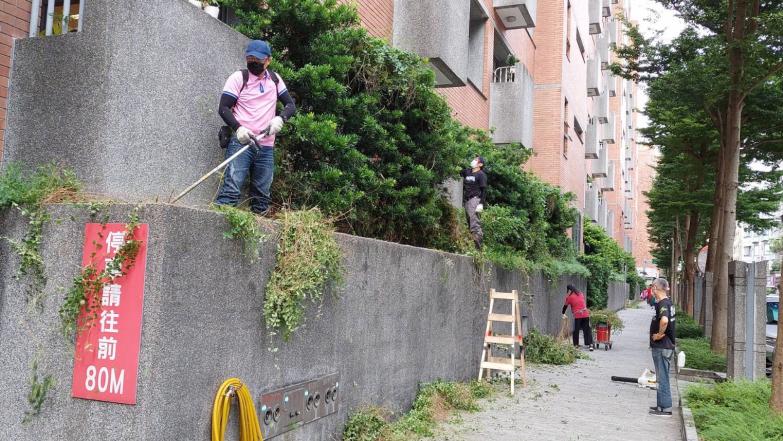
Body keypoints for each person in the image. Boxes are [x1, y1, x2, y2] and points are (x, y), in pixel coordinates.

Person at [215, 40, 297, 215]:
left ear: (268, 61)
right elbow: (223, 108)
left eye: (258, 60)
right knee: (231, 189)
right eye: (250, 58)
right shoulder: (239, 78)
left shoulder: (274, 80)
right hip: (242, 142)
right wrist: (238, 129)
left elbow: (290, 105)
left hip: (265, 146)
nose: (253, 62)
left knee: (261, 197)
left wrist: (280, 119)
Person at [649, 277, 676, 416]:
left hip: (662, 346)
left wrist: (659, 334)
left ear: (656, 288)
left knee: (663, 377)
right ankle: (661, 406)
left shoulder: (663, 304)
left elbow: (664, 321)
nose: (651, 289)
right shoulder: (667, 302)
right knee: (661, 376)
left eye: (652, 287)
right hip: (665, 347)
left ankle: (665, 407)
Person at [460, 156, 487, 249]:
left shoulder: (481, 175)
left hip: (475, 200)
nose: (473, 161)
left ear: (480, 164)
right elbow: (458, 172)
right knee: (468, 222)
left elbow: (484, 190)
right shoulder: (467, 171)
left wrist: (481, 204)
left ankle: (478, 249)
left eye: (476, 160)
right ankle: (471, 247)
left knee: (474, 223)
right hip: (467, 200)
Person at [562, 284, 593, 351]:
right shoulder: (580, 294)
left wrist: (563, 313)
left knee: (576, 330)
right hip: (585, 314)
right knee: (587, 329)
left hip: (578, 315)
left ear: (569, 290)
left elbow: (565, 306)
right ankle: (590, 345)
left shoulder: (569, 297)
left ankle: (576, 345)